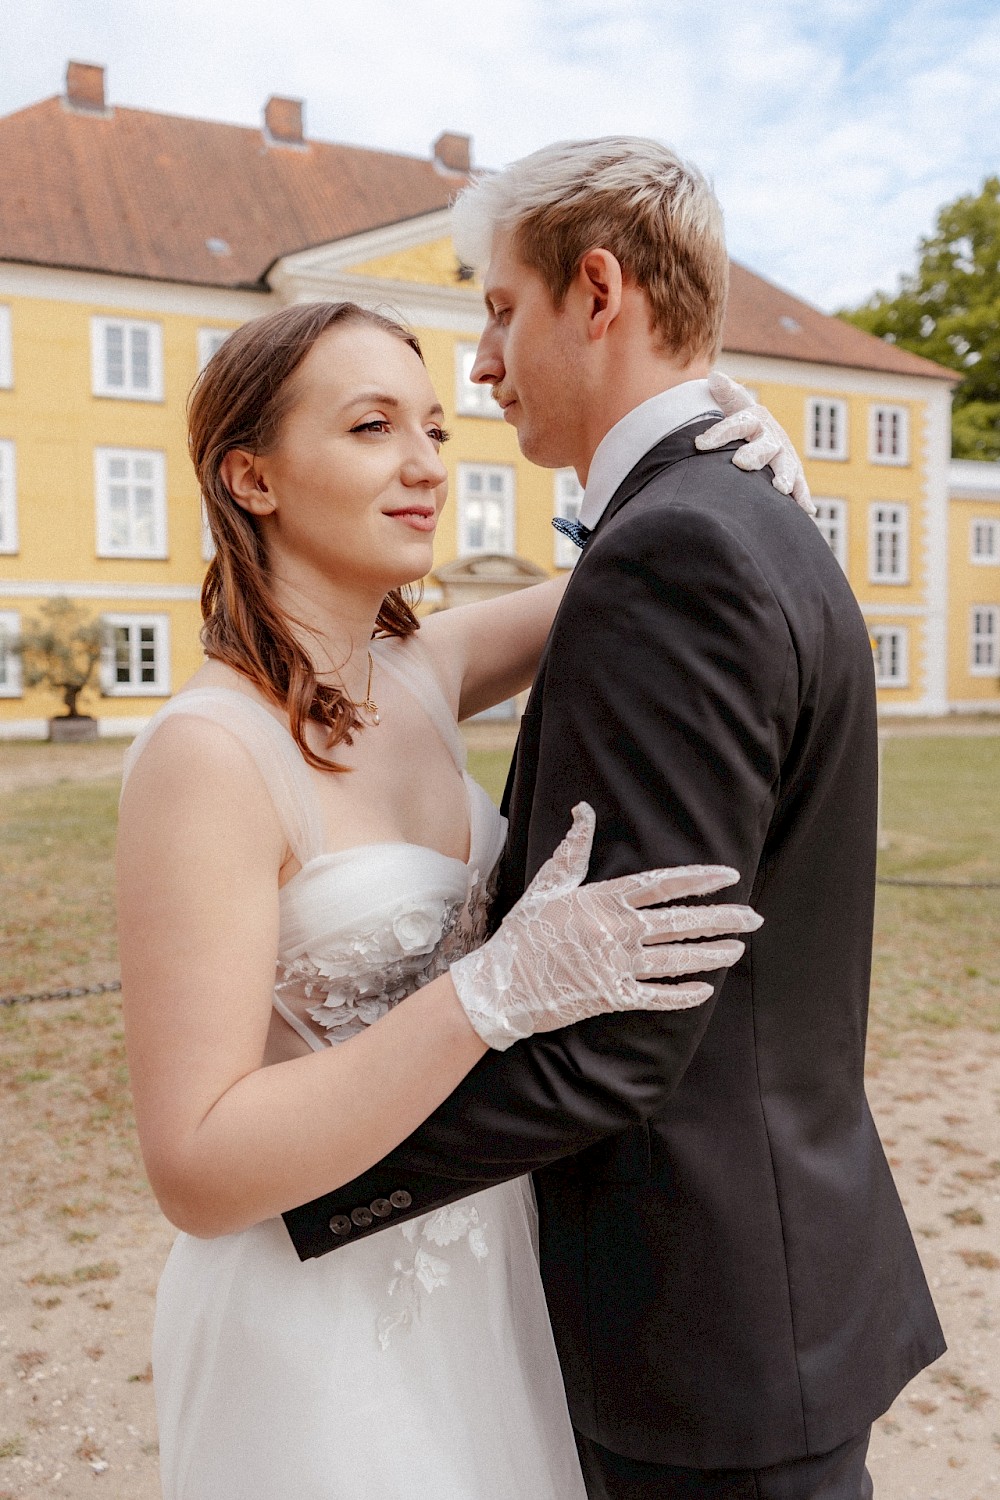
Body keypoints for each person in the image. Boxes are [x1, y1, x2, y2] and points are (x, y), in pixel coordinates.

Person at [287, 141, 946, 1500]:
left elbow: (625, 1041)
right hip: (757, 1299)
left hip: (700, 1331)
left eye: (498, 307)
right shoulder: (714, 518)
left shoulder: (680, 548)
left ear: (598, 292)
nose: (480, 364)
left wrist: (311, 1186)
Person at [116, 297, 792, 1499]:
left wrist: (722, 457)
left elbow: (644, 560)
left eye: (433, 427)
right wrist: (489, 993)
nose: (428, 464)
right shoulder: (206, 758)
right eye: (373, 427)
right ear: (252, 477)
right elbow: (198, 1165)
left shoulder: (427, 675)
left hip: (495, 1274)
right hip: (315, 1326)